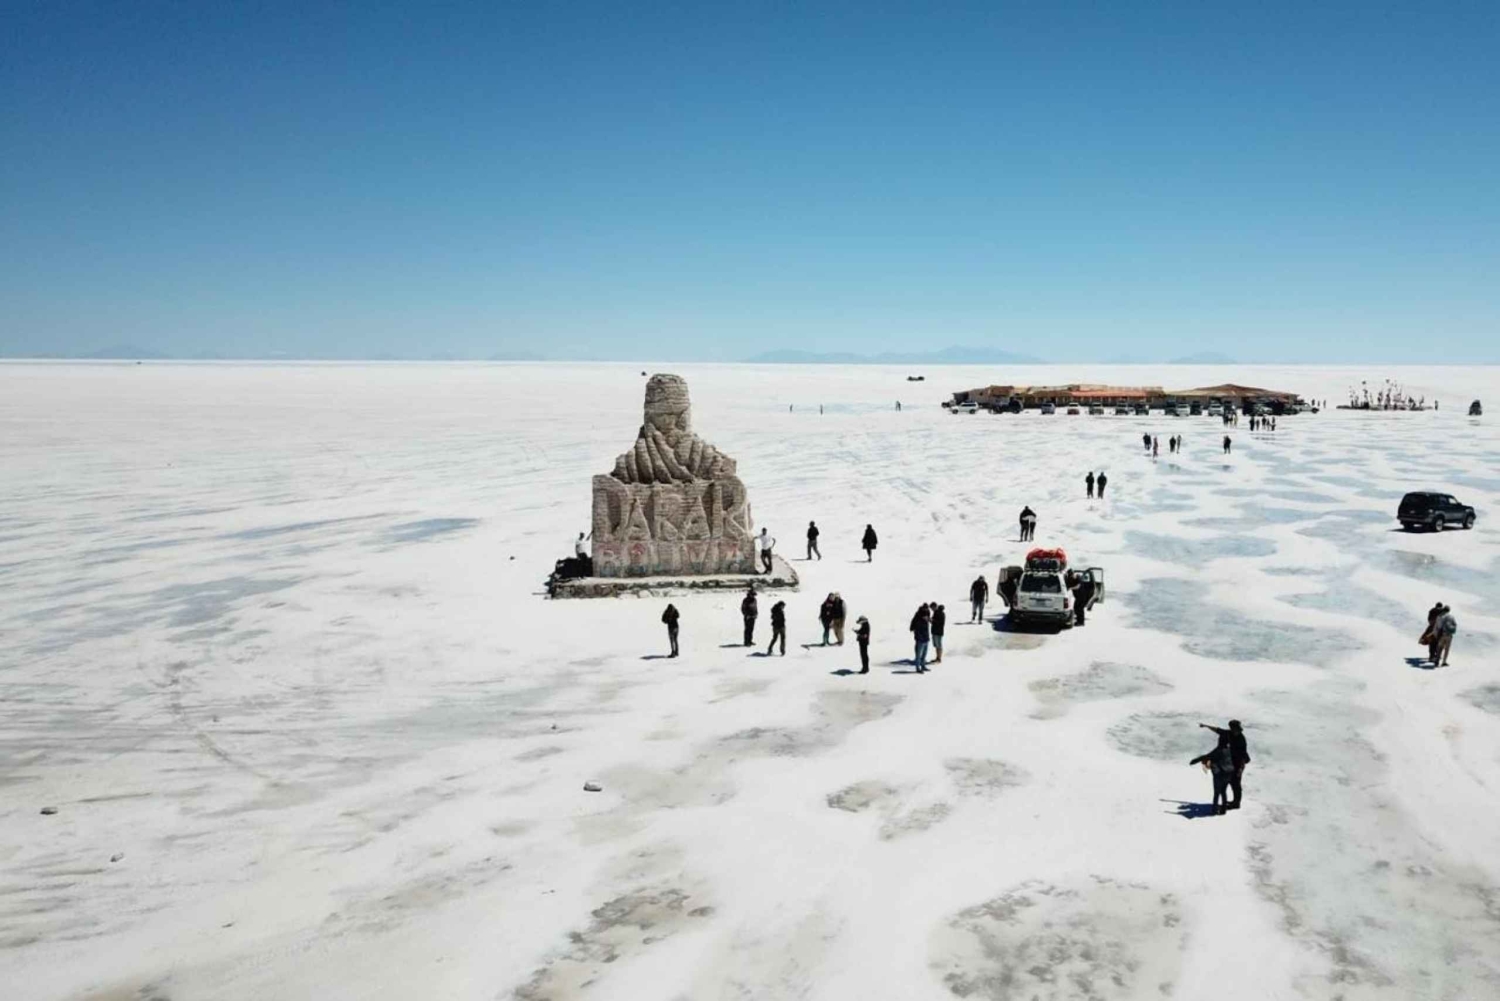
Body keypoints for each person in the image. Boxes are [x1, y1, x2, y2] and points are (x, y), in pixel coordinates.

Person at [1200, 720, 1250, 809]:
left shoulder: (1241, 739)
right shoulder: (1228, 733)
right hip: (1231, 761)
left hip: (1239, 763)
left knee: (1236, 783)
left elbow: (1243, 756)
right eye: (1235, 729)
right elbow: (1217, 730)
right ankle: (1234, 801)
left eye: (1237, 730)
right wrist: (1206, 725)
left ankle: (1236, 803)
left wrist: (1240, 769)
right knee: (1231, 782)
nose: (1236, 731)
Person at [1190, 733, 1237, 815]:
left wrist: (1194, 761)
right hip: (1229, 773)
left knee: (1216, 793)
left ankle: (1214, 811)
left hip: (1220, 774)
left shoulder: (1218, 750)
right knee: (1223, 792)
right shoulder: (1229, 749)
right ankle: (1223, 810)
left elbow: (1207, 756)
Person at [909, 604, 931, 673]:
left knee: (924, 654)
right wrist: (919, 638)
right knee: (918, 655)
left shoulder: (927, 615)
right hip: (920, 640)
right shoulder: (918, 619)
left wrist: (927, 638)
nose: (927, 618)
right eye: (926, 617)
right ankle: (918, 668)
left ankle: (923, 666)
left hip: (926, 638)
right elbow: (915, 629)